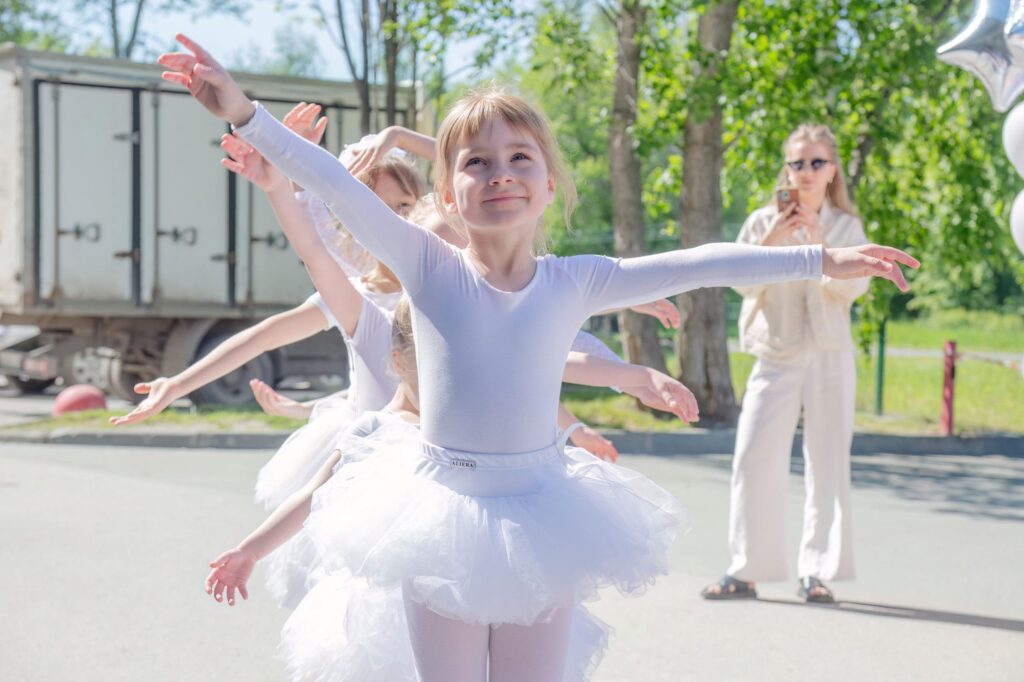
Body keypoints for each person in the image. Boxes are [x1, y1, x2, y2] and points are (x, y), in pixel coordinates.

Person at [160, 33, 917, 681]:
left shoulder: (574, 281)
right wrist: (243, 113)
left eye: (519, 157)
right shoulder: (425, 266)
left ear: (549, 185)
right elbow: (330, 181)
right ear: (447, 193)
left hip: (543, 516)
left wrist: (820, 259)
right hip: (437, 517)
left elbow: (699, 264)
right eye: (476, 162)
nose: (500, 172)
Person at [702, 124, 872, 604]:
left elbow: (855, 287)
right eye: (797, 163)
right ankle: (746, 569)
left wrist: (820, 246)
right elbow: (740, 282)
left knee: (828, 460)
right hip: (775, 353)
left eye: (817, 162)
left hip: (829, 354)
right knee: (754, 456)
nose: (806, 172)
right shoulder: (761, 221)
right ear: (787, 169)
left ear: (832, 170)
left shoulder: (846, 227)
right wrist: (775, 236)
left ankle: (816, 571)